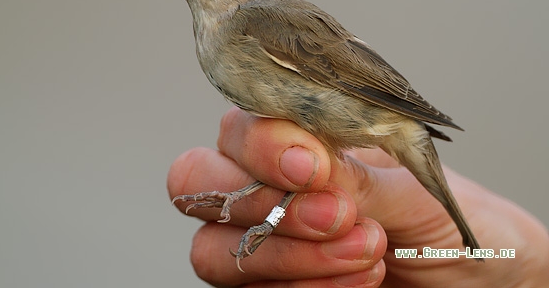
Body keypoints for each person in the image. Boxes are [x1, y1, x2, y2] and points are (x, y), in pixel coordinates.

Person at [168, 107, 549, 287]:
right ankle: (262, 213)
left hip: (377, 113)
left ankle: (266, 216)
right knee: (302, 169)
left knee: (307, 171)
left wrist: (523, 275)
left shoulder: (258, 24)